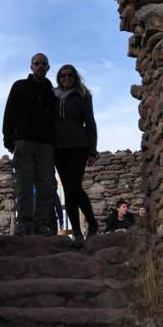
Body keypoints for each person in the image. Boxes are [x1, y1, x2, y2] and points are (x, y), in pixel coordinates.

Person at [3, 53, 55, 235]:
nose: (40, 66)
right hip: (24, 141)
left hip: (47, 145)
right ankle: (24, 225)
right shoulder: (20, 86)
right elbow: (9, 113)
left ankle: (41, 225)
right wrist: (8, 138)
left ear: (48, 67)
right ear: (31, 66)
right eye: (37, 63)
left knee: (47, 184)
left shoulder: (52, 91)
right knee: (24, 184)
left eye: (43, 64)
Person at [54, 64, 99, 248]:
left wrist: (92, 149)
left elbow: (90, 122)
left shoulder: (82, 95)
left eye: (70, 75)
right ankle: (78, 233)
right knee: (68, 188)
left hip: (78, 147)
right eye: (63, 75)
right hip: (59, 148)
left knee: (74, 187)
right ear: (58, 77)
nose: (66, 78)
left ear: (75, 77)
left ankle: (92, 224)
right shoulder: (53, 96)